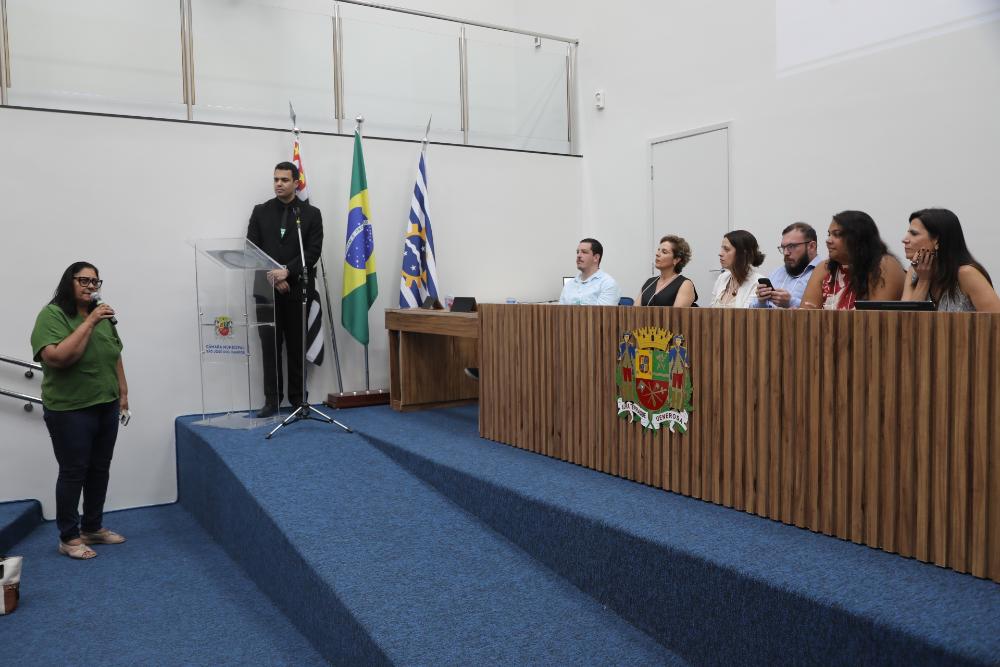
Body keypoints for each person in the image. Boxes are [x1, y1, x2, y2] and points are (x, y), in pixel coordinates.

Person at [30, 262, 129, 560]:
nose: (90, 286)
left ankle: (93, 528)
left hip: (106, 403)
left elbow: (115, 353)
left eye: (95, 281)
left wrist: (123, 392)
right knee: (74, 472)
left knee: (100, 468)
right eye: (83, 280)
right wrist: (90, 322)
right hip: (70, 409)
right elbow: (59, 357)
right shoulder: (52, 315)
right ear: (68, 282)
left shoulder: (101, 315)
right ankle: (69, 537)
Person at [247, 161, 324, 417]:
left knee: (295, 346)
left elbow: (312, 253)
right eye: (276, 180)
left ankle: (298, 400)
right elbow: (251, 248)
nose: (279, 184)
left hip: (297, 291)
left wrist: (287, 272)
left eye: (284, 180)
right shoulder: (260, 211)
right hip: (266, 290)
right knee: (269, 346)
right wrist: (273, 275)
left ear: (296, 182)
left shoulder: (311, 214)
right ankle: (272, 400)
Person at [801, 210, 904, 310]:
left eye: (836, 234)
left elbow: (877, 321)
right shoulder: (824, 268)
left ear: (857, 238)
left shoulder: (884, 265)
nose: (828, 241)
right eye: (829, 234)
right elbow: (806, 316)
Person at [901, 208, 1000, 312]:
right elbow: (907, 323)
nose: (904, 240)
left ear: (937, 240)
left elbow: (996, 321)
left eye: (914, 234)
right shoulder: (914, 271)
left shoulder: (967, 274)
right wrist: (923, 281)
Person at [751, 222, 822, 309]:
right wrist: (762, 301)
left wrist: (790, 302)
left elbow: (827, 311)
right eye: (783, 248)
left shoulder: (826, 272)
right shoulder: (777, 272)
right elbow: (753, 307)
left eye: (791, 246)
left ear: (811, 246)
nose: (785, 253)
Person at [710, 230, 766, 308]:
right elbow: (711, 310)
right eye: (722, 248)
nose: (720, 253)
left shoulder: (757, 282)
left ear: (743, 253)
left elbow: (751, 316)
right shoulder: (722, 278)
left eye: (726, 249)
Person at [638, 235, 698, 307]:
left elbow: (676, 316)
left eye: (664, 252)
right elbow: (633, 312)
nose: (657, 254)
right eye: (658, 250)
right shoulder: (649, 282)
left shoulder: (685, 284)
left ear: (676, 260)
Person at [559, 238, 621, 305]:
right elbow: (561, 312)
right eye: (577, 252)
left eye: (584, 252)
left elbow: (602, 314)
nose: (579, 255)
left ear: (596, 258)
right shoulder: (569, 284)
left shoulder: (608, 284)